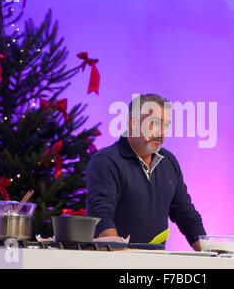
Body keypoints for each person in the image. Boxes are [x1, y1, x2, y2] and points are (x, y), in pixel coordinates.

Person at [86, 94, 206, 250]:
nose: (161, 132)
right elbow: (100, 215)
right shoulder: (105, 162)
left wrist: (212, 256)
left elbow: (187, 216)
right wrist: (119, 253)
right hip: (116, 263)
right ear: (133, 123)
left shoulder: (169, 161)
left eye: (167, 125)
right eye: (154, 123)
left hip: (155, 265)